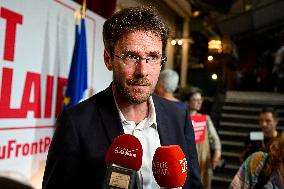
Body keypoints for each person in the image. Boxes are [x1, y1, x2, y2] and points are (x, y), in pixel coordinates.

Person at [42, 6, 203, 189]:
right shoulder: (75, 122)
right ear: (108, 59)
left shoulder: (179, 117)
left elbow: (193, 184)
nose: (142, 71)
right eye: (131, 56)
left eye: (152, 57)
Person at [187, 87, 221, 189]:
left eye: (200, 100)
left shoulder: (205, 119)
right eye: (195, 100)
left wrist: (217, 153)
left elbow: (216, 140)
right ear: (187, 101)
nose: (199, 102)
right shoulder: (181, 118)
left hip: (202, 161)